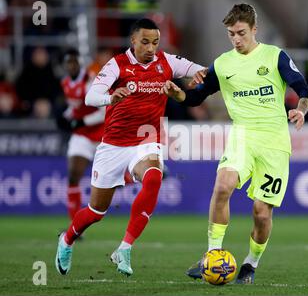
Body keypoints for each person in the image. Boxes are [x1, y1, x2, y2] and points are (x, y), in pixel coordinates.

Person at [162, 3, 308, 284]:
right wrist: (178, 93)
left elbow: (303, 89)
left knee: (261, 212)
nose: (236, 39)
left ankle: (250, 264)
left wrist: (301, 109)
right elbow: (195, 97)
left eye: (241, 33)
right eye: (231, 33)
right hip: (242, 136)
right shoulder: (222, 64)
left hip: (275, 142)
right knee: (222, 186)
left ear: (255, 29)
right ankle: (212, 255)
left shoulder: (274, 56)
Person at [55, 18, 205, 277]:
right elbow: (91, 96)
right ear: (133, 41)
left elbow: (201, 70)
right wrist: (110, 97)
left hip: (147, 139)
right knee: (95, 212)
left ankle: (124, 248)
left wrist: (201, 79)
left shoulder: (167, 62)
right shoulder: (117, 65)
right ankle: (66, 240)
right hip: (113, 145)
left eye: (155, 42)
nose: (150, 48)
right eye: (145, 42)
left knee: (154, 177)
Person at [57, 49, 105, 221]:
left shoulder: (91, 81)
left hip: (101, 133)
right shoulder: (65, 83)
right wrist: (65, 117)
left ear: (79, 62)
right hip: (81, 136)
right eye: (67, 63)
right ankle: (74, 225)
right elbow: (74, 107)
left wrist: (82, 121)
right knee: (73, 175)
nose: (70, 66)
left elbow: (104, 112)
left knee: (113, 177)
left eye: (73, 62)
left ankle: (132, 178)